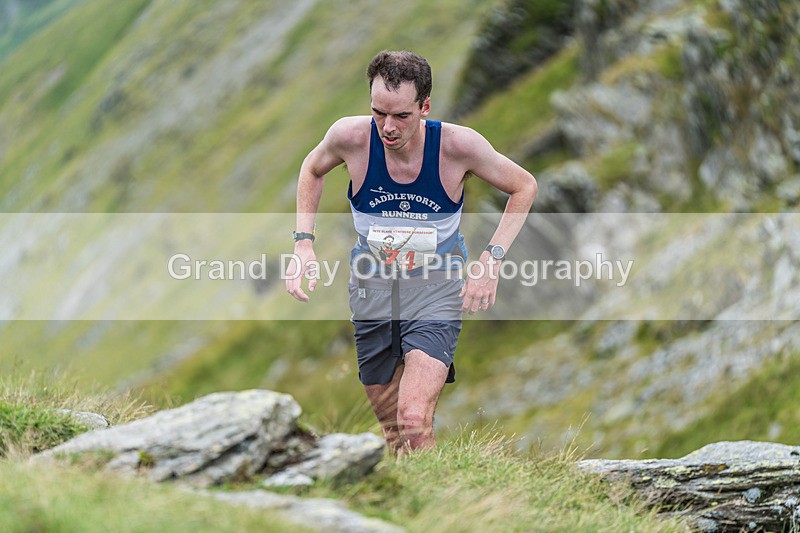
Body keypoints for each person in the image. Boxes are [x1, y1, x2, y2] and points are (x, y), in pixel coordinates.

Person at [286, 50, 537, 454]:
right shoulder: (350, 138)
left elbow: (523, 186)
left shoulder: (458, 146)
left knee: (414, 421)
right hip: (373, 286)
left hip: (437, 286)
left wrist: (491, 261)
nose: (387, 127)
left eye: (401, 116)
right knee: (392, 434)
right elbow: (312, 169)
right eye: (378, 113)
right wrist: (303, 244)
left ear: (425, 107)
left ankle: (445, 510)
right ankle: (414, 506)